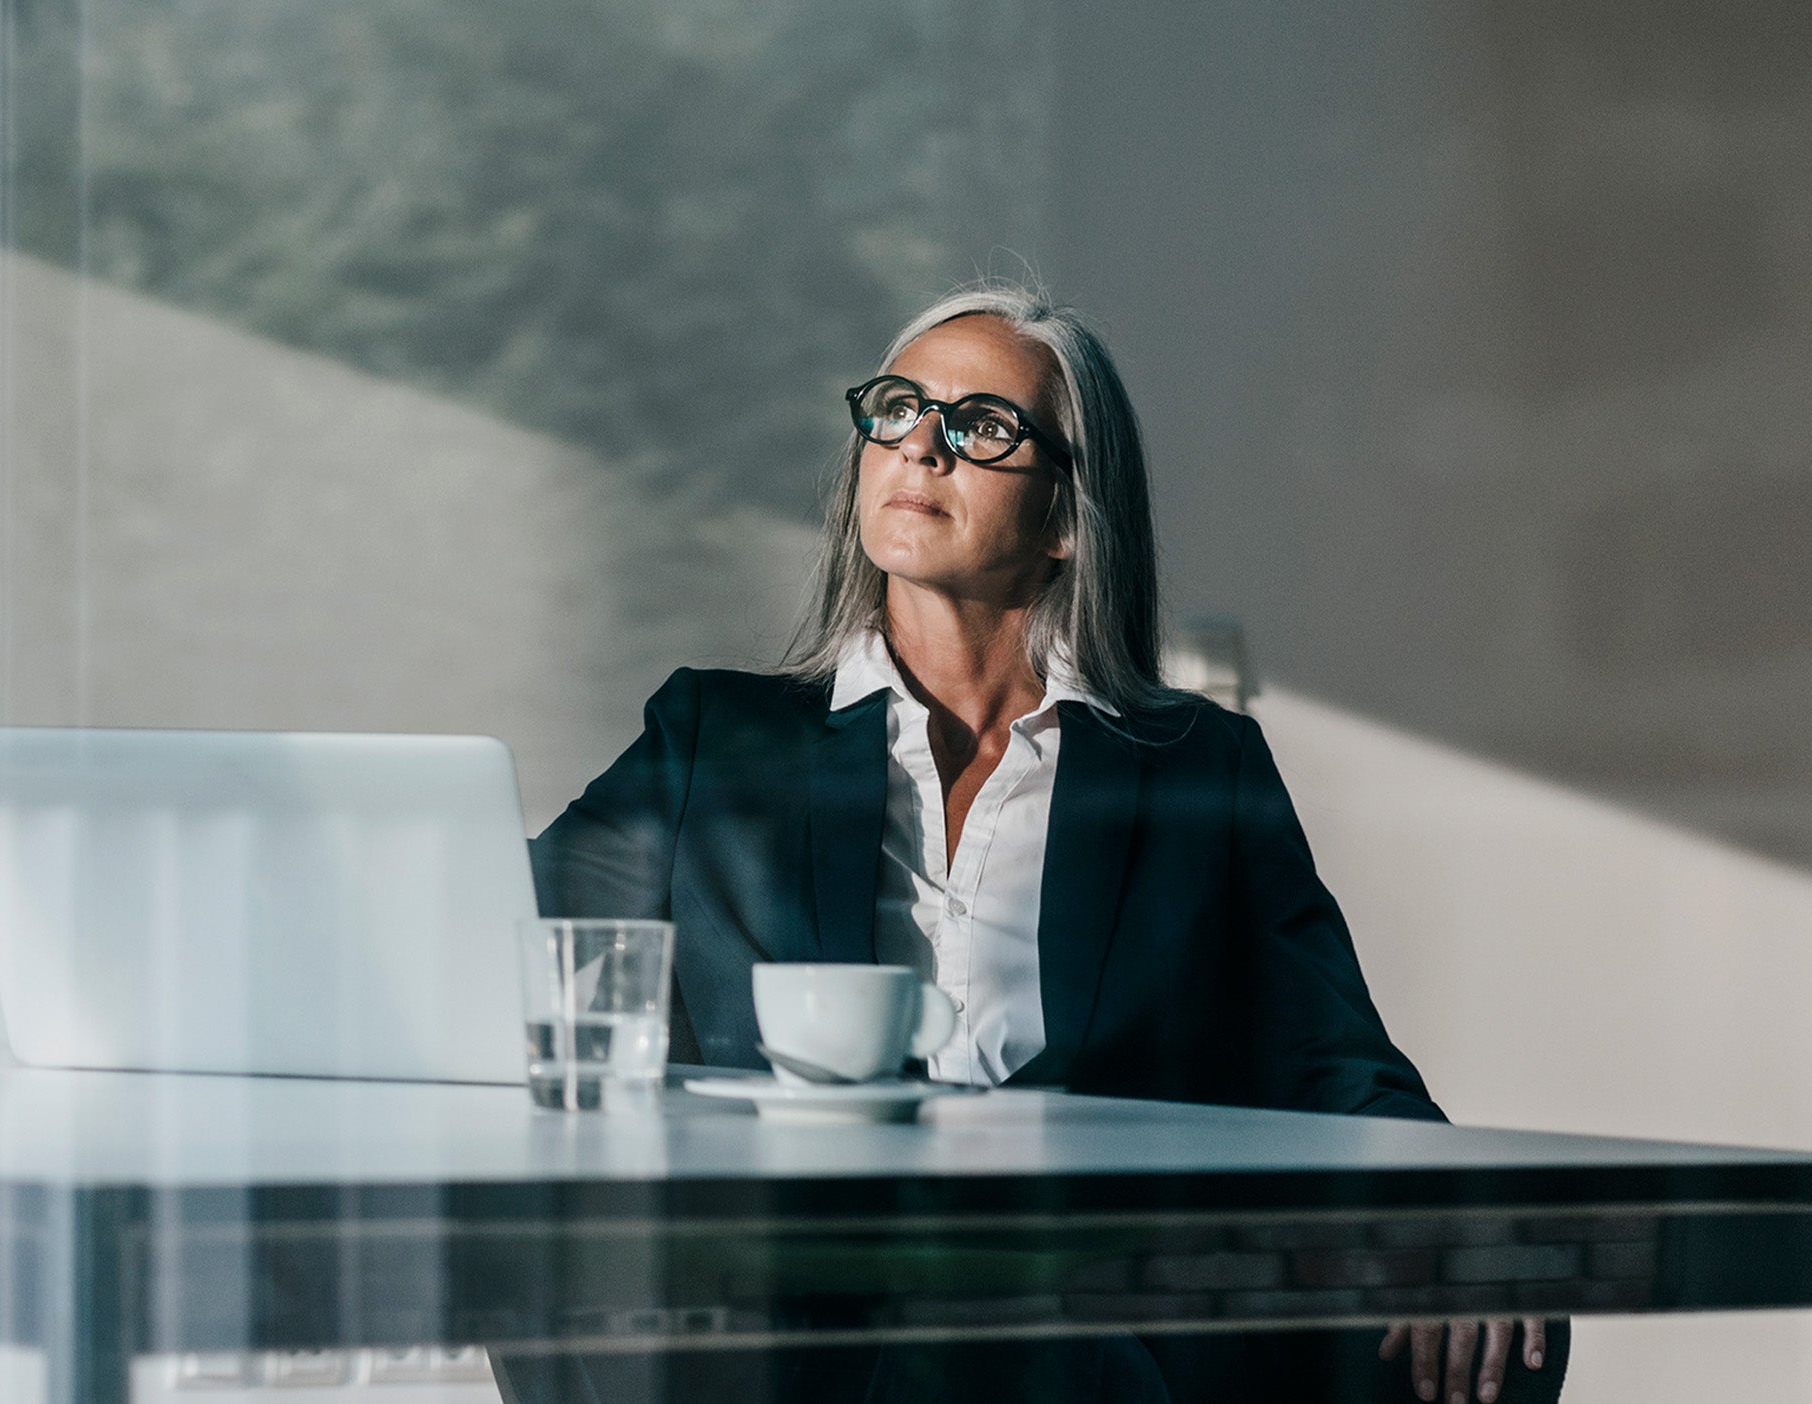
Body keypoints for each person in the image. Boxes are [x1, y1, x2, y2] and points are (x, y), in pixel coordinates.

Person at [513, 283, 1565, 1404]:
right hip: (804, 1302)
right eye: (900, 408)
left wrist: (1452, 1197)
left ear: (1067, 517)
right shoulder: (715, 743)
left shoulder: (1194, 770)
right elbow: (511, 941)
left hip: (1083, 1295)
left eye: (980, 427)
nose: (921, 443)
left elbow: (1333, 1060)